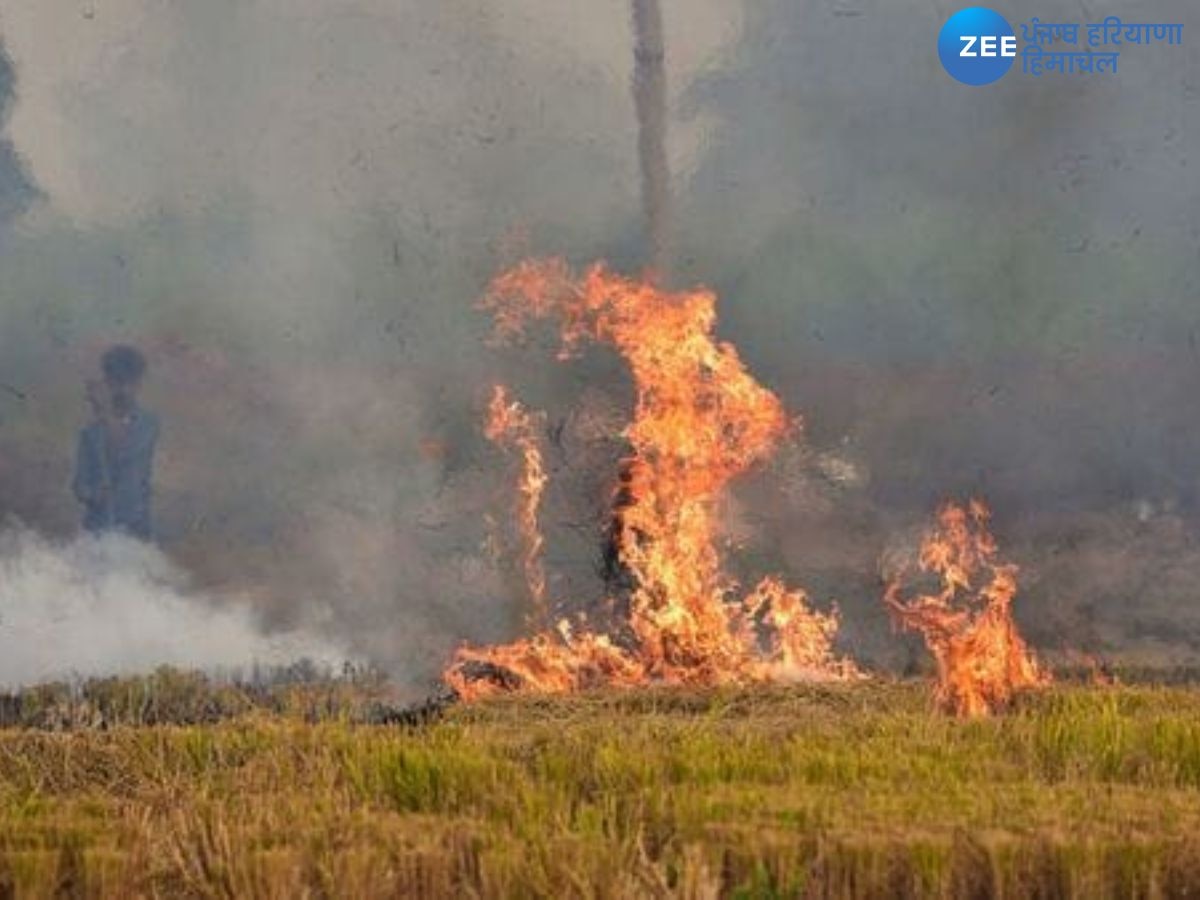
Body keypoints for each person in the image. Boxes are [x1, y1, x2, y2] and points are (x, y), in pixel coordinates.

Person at [72, 345, 160, 540]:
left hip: (135, 530)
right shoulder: (89, 433)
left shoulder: (148, 424)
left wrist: (105, 412)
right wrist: (93, 495)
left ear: (138, 383)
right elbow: (79, 484)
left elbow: (124, 451)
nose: (121, 389)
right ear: (107, 382)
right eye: (115, 382)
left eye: (127, 382)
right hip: (97, 531)